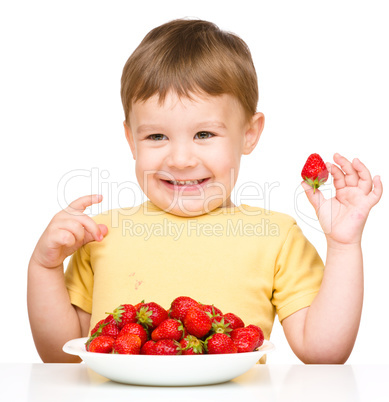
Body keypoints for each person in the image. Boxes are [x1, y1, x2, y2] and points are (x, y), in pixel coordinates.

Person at [27, 19, 383, 364]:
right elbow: (61, 355)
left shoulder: (276, 236)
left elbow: (324, 353)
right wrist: (46, 267)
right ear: (130, 139)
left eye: (204, 135)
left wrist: (344, 246)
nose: (180, 159)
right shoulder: (98, 234)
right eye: (156, 136)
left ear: (249, 133)